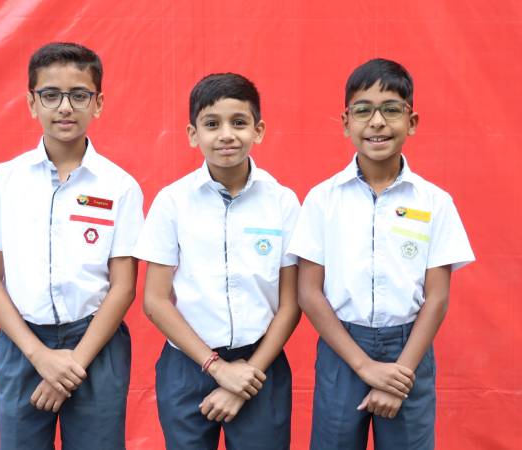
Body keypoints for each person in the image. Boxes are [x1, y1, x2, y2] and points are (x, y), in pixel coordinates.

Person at [288, 58, 475, 449]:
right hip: (342, 347)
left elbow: (437, 298)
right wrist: (363, 365)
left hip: (409, 350)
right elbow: (308, 292)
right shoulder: (322, 199)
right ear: (346, 123)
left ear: (412, 121)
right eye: (363, 111)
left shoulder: (434, 202)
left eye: (391, 110)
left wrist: (399, 374)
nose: (377, 122)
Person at [0, 42, 143, 450]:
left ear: (98, 103)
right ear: (32, 103)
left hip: (95, 344)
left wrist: (74, 362)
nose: (65, 107)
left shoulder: (119, 186)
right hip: (23, 342)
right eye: (51, 95)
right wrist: (38, 355)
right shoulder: (6, 180)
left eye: (79, 95)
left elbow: (123, 286)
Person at [133, 73, 301, 450]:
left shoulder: (282, 202)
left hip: (261, 364)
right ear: (193, 134)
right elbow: (155, 300)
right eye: (212, 124)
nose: (226, 135)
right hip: (187, 364)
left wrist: (247, 375)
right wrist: (216, 368)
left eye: (239, 122)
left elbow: (290, 304)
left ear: (258, 130)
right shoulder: (172, 202)